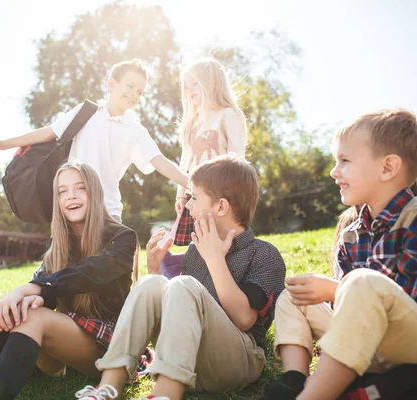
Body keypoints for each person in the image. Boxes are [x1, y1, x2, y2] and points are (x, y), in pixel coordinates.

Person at [75, 154, 286, 400]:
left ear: (220, 207)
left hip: (240, 362)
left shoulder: (263, 254)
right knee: (152, 283)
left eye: (194, 197)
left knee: (184, 285)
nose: (187, 205)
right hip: (192, 363)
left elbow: (244, 320)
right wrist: (154, 270)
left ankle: (165, 395)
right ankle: (106, 389)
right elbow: (179, 315)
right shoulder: (195, 252)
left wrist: (216, 260)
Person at [0, 162, 139, 399]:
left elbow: (91, 273)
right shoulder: (58, 245)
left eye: (80, 188)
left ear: (95, 192)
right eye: (62, 191)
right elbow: (40, 291)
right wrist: (17, 300)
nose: (71, 196)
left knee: (30, 312)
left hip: (110, 347)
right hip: (64, 347)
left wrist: (32, 289)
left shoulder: (122, 238)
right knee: (16, 309)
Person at [263, 109, 417, 400]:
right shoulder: (351, 233)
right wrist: (329, 292)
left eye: (344, 161)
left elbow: (405, 301)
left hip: (407, 342)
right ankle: (295, 380)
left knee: (361, 282)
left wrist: (336, 289)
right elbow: (348, 311)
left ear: (387, 168)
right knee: (294, 296)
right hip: (365, 344)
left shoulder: (413, 219)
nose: (334, 171)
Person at [0, 59, 188, 222]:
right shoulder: (87, 112)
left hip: (108, 210)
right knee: (62, 270)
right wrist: (5, 143)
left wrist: (191, 184)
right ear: (111, 84)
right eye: (130, 86)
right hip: (71, 208)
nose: (134, 94)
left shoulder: (135, 131)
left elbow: (158, 160)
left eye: (140, 92)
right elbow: (49, 132)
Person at [172, 57, 247, 246]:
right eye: (187, 87)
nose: (190, 91)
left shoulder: (227, 115)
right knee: (196, 243)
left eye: (195, 84)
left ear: (211, 83)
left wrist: (230, 194)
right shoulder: (192, 122)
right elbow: (185, 160)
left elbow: (237, 158)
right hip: (194, 194)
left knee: (219, 240)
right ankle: (200, 274)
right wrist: (181, 193)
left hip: (218, 193)